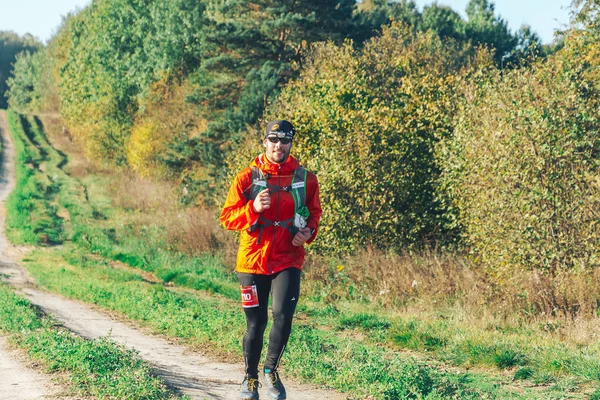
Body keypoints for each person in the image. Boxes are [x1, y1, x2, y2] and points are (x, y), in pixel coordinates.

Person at [220, 120, 322, 399]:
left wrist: (308, 233)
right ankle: (249, 379)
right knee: (255, 323)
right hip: (252, 261)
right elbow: (227, 217)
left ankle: (271, 371)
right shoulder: (246, 178)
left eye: (285, 140)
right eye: (274, 140)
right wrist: (252, 208)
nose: (280, 145)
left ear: (291, 144)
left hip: (288, 258)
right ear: (264, 142)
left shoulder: (306, 179)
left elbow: (314, 214)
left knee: (282, 315)